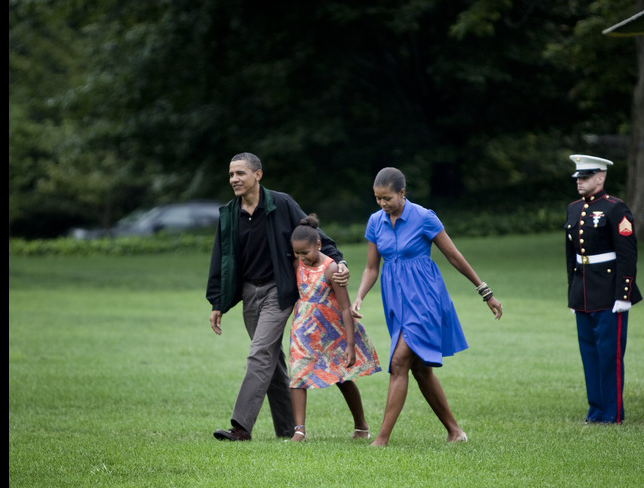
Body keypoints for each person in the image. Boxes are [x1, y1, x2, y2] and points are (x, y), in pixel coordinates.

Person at [351, 167, 503, 446]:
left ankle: (381, 439)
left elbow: (454, 256)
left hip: (425, 299)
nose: (383, 205)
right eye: (377, 199)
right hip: (396, 303)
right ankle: (455, 432)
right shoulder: (375, 221)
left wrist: (485, 291)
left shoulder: (424, 217)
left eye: (387, 198)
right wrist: (359, 296)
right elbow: (372, 268)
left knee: (398, 362)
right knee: (420, 369)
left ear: (402, 193)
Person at [207, 152, 350, 441]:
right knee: (271, 360)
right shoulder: (229, 214)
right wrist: (217, 302)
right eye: (231, 174)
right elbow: (220, 258)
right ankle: (288, 430)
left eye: (240, 173)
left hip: (277, 290)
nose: (234, 179)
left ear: (257, 175)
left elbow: (314, 233)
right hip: (249, 292)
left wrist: (339, 261)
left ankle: (240, 427)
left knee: (259, 353)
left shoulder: (281, 204)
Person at [287, 214, 381, 442]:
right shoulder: (296, 264)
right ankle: (299, 430)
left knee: (343, 378)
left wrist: (350, 345)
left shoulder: (332, 270)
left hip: (332, 332)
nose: (302, 258)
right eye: (297, 253)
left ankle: (361, 425)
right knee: (297, 376)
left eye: (305, 253)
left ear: (318, 245)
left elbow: (346, 308)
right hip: (304, 331)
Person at [565, 155, 642, 425]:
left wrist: (623, 294)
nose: (580, 182)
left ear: (601, 177)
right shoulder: (574, 209)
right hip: (584, 292)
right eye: (578, 178)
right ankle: (595, 410)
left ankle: (612, 413)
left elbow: (626, 255)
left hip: (610, 293)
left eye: (585, 177)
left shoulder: (615, 208)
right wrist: (572, 293)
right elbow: (571, 256)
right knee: (589, 355)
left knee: (609, 355)